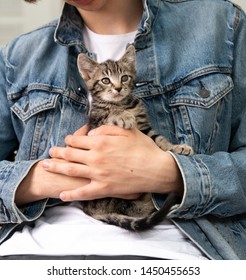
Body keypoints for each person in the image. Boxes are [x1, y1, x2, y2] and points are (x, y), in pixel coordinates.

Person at [0, 0, 245, 260]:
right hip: (29, 254)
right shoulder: (17, 56)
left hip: (167, 253)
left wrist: (173, 174)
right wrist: (45, 178)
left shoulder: (221, 25)